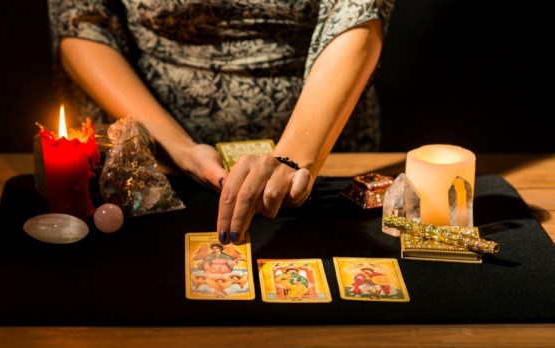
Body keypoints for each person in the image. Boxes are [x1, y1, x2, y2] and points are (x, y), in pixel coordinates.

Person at [47, 0, 395, 244]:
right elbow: (81, 22)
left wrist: (291, 157)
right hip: (154, 161)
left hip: (324, 150)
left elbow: (358, 12)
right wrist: (179, 149)